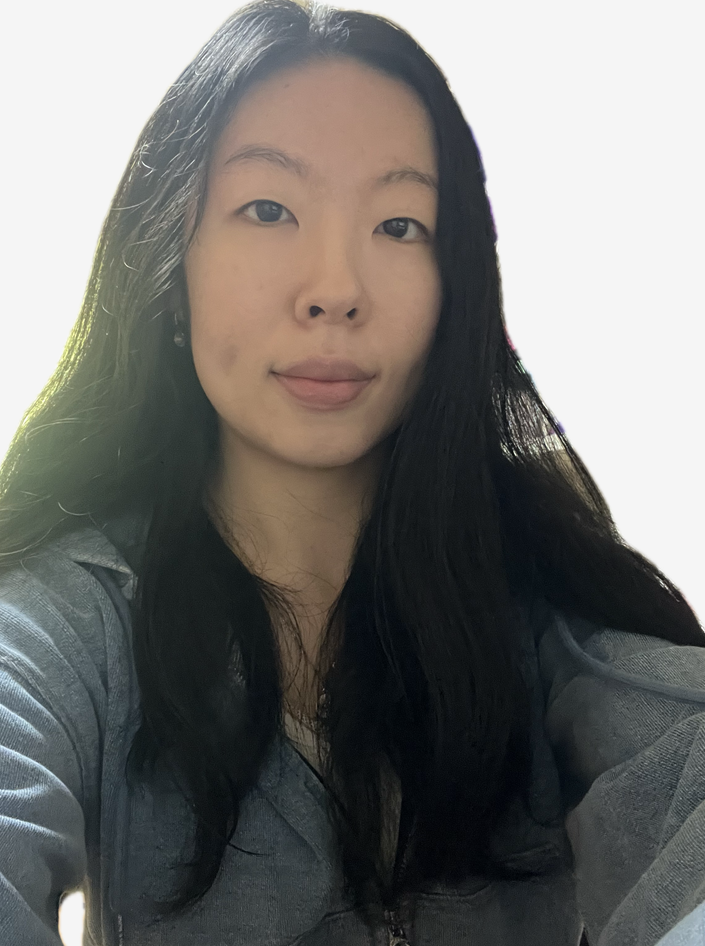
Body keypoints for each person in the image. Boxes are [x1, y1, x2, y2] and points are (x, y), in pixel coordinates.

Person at [0, 2, 703, 944]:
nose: (334, 287)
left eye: (400, 224)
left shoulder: (542, 614)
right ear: (170, 266)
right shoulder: (63, 623)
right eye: (267, 208)